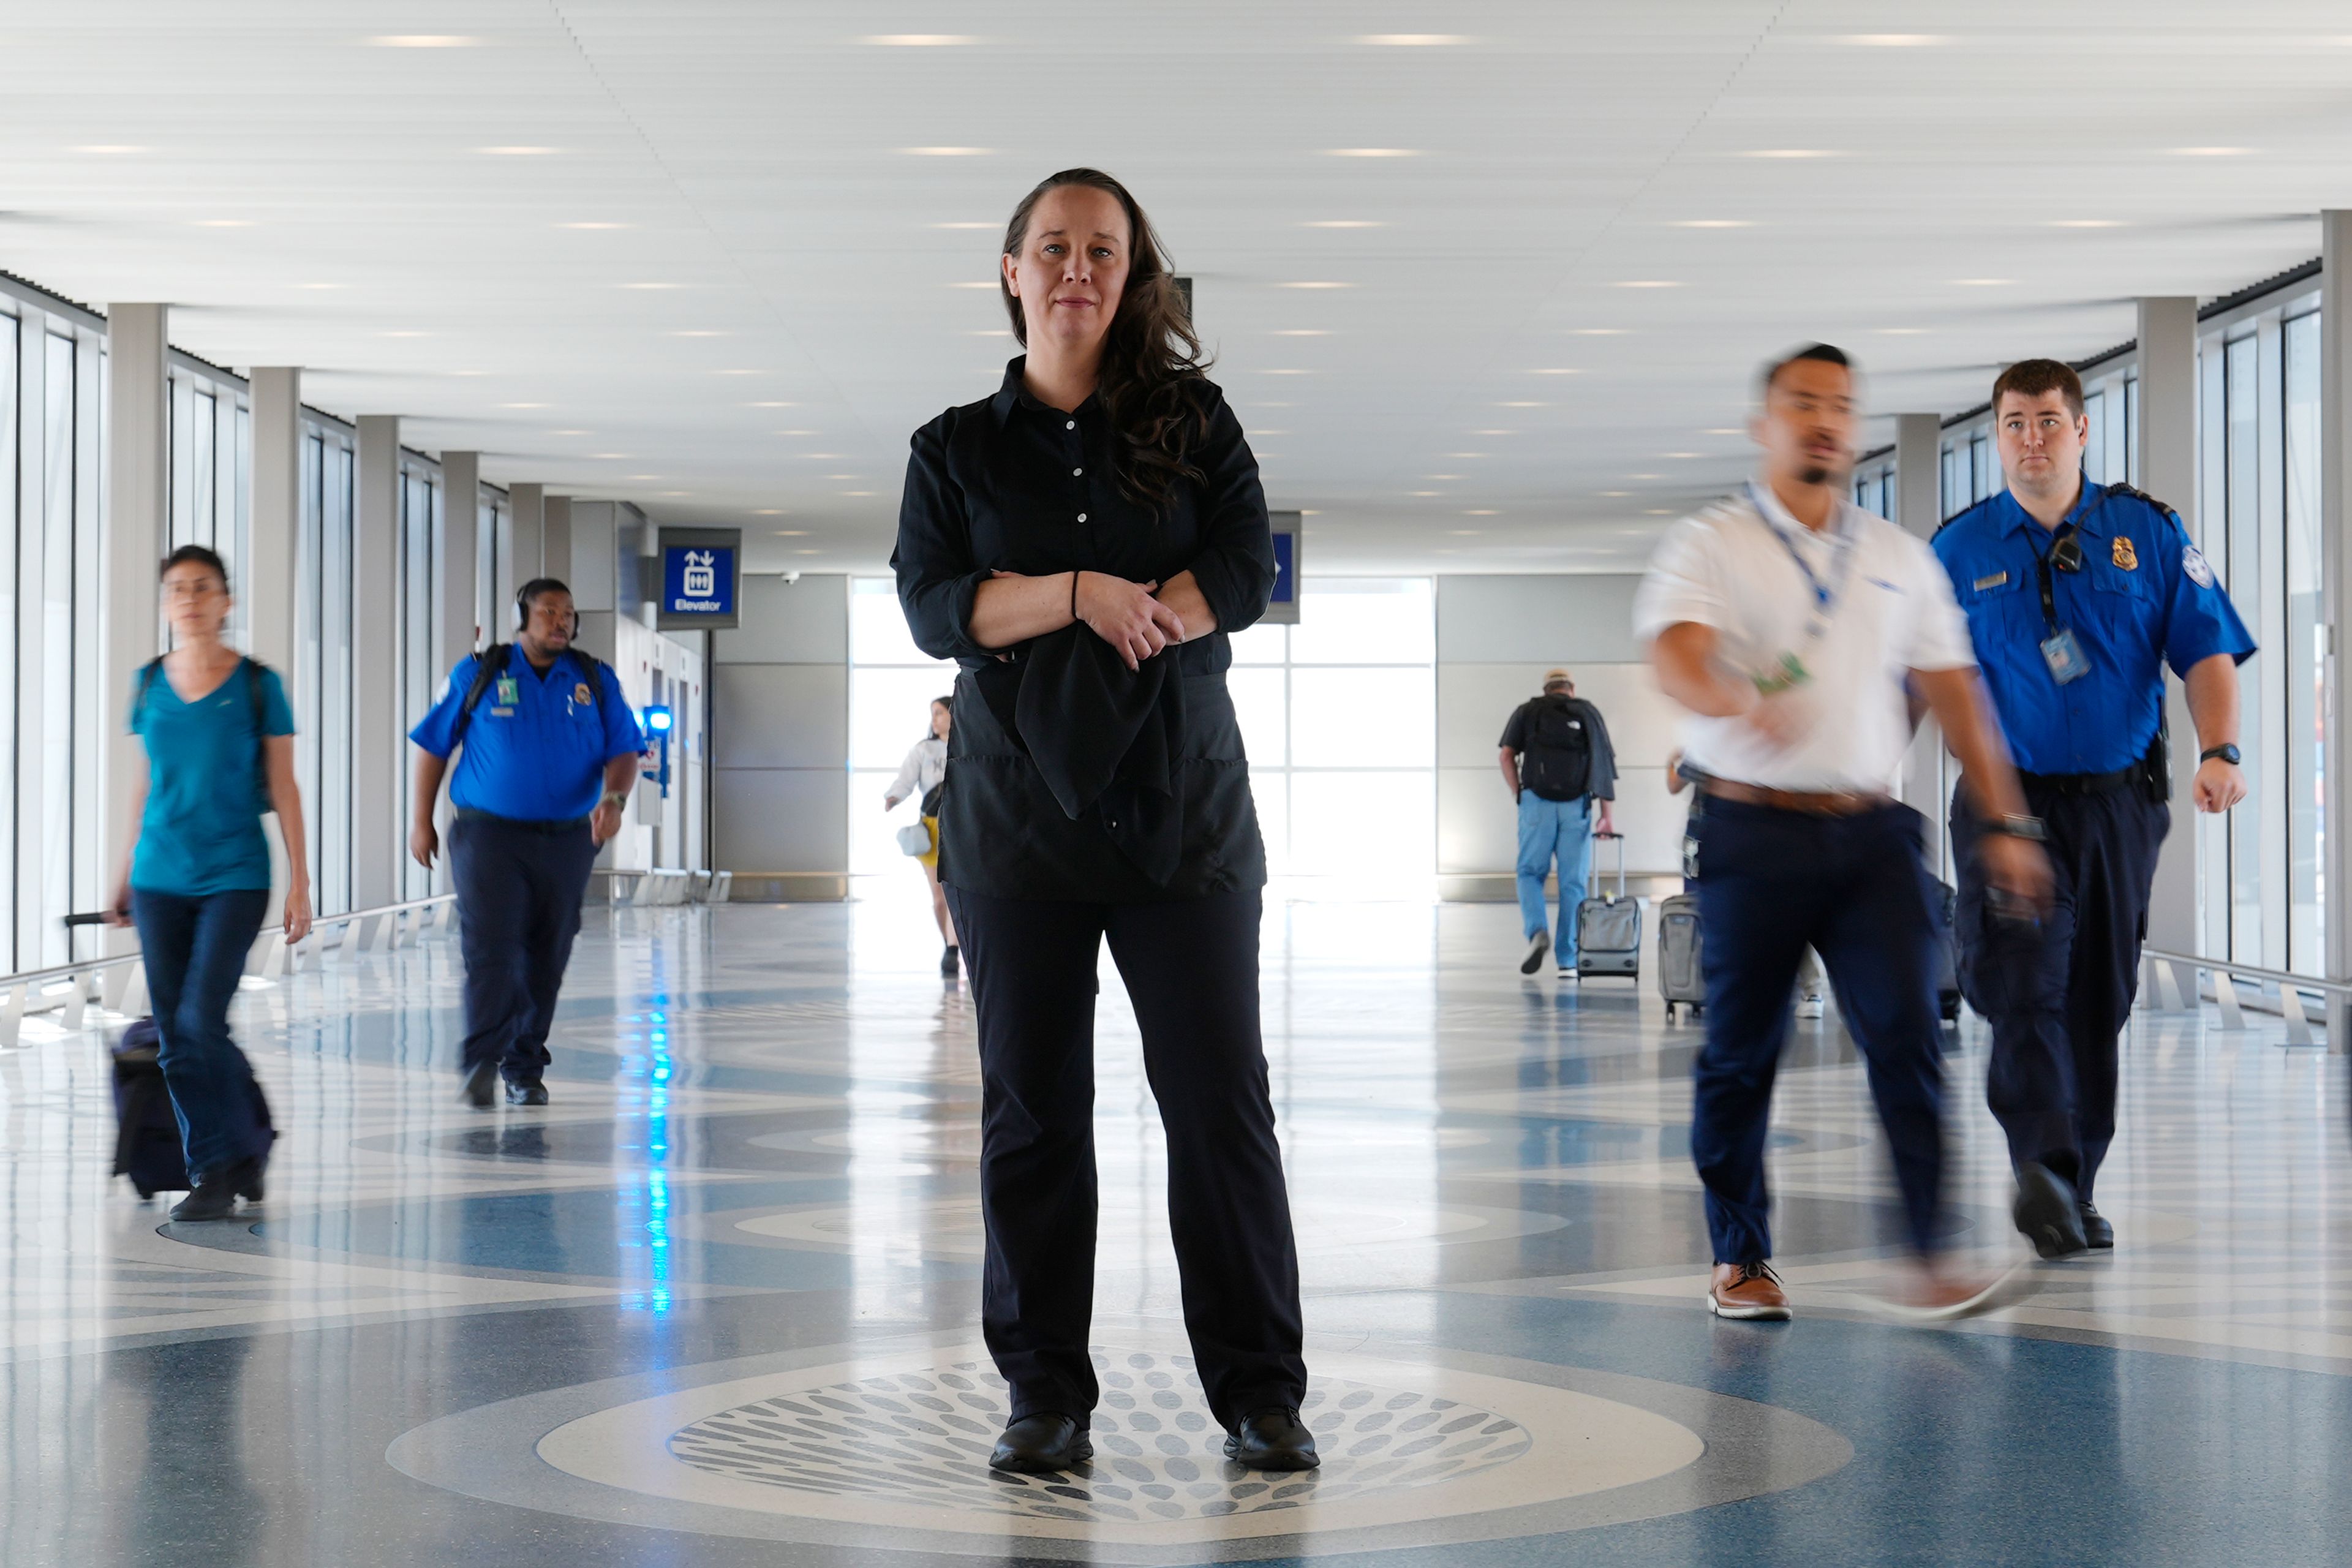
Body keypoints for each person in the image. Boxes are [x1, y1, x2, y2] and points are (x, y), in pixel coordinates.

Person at [893, 167, 1313, 1476]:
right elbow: (933, 605)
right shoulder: (953, 447)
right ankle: (1043, 1392)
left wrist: (1152, 608)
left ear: (1130, 277)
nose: (1078, 268)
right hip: (1019, 825)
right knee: (1032, 1110)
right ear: (1012, 272)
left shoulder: (1194, 420)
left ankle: (1259, 1391)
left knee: (1217, 1101)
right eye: (1054, 247)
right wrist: (1077, 590)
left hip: (1184, 817)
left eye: (1104, 250)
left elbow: (1245, 564)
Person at [1634, 343, 2055, 1322]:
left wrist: (2008, 822)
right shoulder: (1712, 543)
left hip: (1874, 838)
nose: (1824, 420)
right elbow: (1678, 657)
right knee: (1742, 1051)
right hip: (1749, 830)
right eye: (1802, 404)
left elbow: (1956, 695)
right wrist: (1734, 694)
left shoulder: (1897, 557)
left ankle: (1929, 1255)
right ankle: (1740, 1258)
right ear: (1765, 426)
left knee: (1909, 1035)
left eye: (1840, 405)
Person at [1932, 358, 2254, 1259]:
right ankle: (2041, 1163)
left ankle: (2074, 1184)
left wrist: (2220, 749)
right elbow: (1915, 678)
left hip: (2118, 806)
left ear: (2080, 429)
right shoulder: (1957, 551)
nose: (2030, 439)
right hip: (2006, 802)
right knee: (2021, 983)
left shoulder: (2145, 534)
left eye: (2045, 421)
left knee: (2095, 999)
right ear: (1996, 436)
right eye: (2013, 424)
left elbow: (2207, 650)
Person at [108, 545, 311, 1221]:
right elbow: (147, 783)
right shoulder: (148, 684)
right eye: (176, 590)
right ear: (166, 605)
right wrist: (123, 872)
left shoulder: (258, 685)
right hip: (160, 874)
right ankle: (218, 1165)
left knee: (200, 1019)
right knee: (175, 1033)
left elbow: (284, 787)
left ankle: (239, 1148)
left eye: (202, 588)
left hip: (235, 874)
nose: (189, 600)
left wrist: (300, 883)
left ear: (227, 601)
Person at [408, 579, 643, 1109]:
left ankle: (523, 1065)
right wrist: (421, 819)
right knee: (492, 946)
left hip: (567, 839)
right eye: (548, 612)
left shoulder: (593, 678)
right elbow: (432, 746)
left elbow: (625, 748)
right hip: (488, 835)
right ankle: (480, 1061)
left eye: (568, 614)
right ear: (523, 617)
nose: (560, 622)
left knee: (547, 953)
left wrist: (614, 800)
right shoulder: (481, 672)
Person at [1499, 669, 1617, 977]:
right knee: (1573, 883)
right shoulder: (1588, 713)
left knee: (1529, 873)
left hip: (1536, 803)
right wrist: (1607, 815)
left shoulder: (1527, 711)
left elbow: (1506, 755)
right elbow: (1604, 763)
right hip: (1575, 806)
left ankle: (1538, 931)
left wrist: (1519, 794)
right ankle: (1567, 960)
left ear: (1546, 689)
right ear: (1571, 689)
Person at [884, 696, 960, 977]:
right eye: (933, 714)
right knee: (939, 896)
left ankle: (954, 949)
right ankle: (949, 945)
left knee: (957, 893)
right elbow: (906, 779)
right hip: (932, 827)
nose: (935, 719)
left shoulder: (970, 743)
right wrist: (894, 797)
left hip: (963, 826)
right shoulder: (924, 750)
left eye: (940, 713)